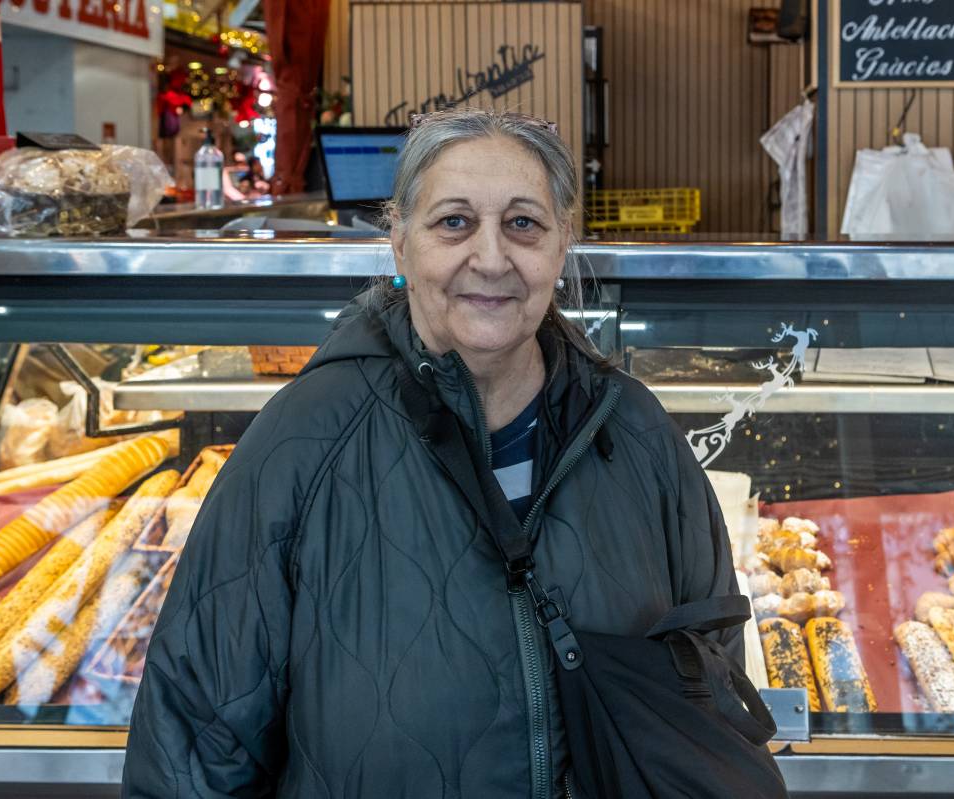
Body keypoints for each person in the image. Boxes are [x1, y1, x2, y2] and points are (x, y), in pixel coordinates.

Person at [122, 108, 739, 798]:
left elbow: (708, 680)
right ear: (399, 242)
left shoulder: (636, 431)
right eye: (454, 221)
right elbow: (194, 747)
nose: (492, 257)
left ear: (562, 243)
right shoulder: (300, 444)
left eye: (523, 223)